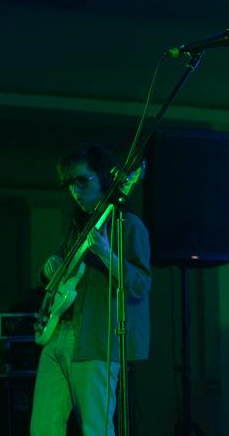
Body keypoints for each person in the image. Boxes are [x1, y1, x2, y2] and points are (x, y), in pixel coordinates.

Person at [30, 144, 152, 436]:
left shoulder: (128, 226)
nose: (75, 190)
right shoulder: (76, 227)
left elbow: (141, 283)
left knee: (96, 429)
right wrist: (50, 269)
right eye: (71, 184)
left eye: (83, 181)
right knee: (43, 429)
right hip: (57, 335)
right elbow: (59, 279)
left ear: (104, 177)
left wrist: (107, 254)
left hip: (96, 339)